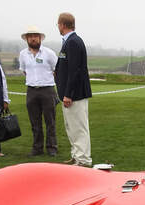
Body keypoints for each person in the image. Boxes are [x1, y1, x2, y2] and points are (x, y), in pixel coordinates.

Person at [55, 12, 92, 167]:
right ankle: (76, 155)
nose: (58, 26)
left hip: (75, 95)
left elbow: (74, 70)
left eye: (58, 24)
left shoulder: (73, 42)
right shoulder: (68, 41)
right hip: (68, 94)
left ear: (62, 25)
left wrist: (68, 94)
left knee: (79, 127)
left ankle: (83, 159)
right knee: (71, 127)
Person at [18, 25, 59, 157]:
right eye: (30, 37)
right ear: (27, 39)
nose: (33, 39)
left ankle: (52, 147)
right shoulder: (23, 54)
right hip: (31, 91)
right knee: (35, 122)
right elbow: (24, 70)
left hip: (47, 90)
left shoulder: (49, 53)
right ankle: (37, 148)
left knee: (50, 121)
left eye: (36, 36)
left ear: (40, 38)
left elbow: (56, 69)